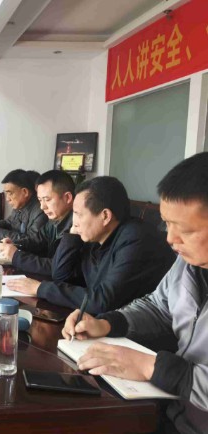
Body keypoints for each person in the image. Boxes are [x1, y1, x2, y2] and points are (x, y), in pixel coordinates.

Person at [62, 153, 208, 434]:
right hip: (170, 411)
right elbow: (158, 307)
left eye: (186, 230)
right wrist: (107, 323)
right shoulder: (188, 262)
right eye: (167, 224)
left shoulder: (135, 238)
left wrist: (153, 367)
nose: (170, 239)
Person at [8, 176, 175, 314]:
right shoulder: (95, 237)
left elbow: (103, 301)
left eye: (78, 214)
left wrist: (41, 288)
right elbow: (60, 275)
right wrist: (72, 235)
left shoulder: (136, 239)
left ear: (105, 216)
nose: (74, 222)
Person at [0, 170, 74, 276]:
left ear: (67, 198)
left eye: (47, 199)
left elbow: (58, 267)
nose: (42, 207)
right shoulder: (54, 221)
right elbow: (36, 241)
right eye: (40, 200)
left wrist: (16, 256)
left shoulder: (77, 227)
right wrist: (13, 244)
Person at [0, 169, 47, 243]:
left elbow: (32, 240)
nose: (7, 199)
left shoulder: (41, 210)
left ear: (25, 192)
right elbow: (9, 223)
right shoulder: (20, 205)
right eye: (6, 194)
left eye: (10, 193)